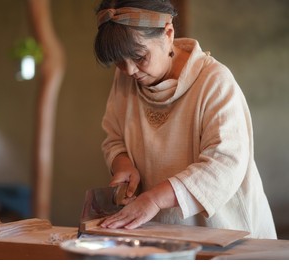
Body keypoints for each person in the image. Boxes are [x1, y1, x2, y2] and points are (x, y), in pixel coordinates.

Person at [94, 0, 276, 239]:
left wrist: (156, 198)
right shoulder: (125, 78)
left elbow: (225, 163)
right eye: (119, 61)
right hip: (163, 233)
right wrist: (122, 163)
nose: (129, 71)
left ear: (168, 33)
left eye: (139, 57)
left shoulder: (213, 81)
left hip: (228, 235)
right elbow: (114, 137)